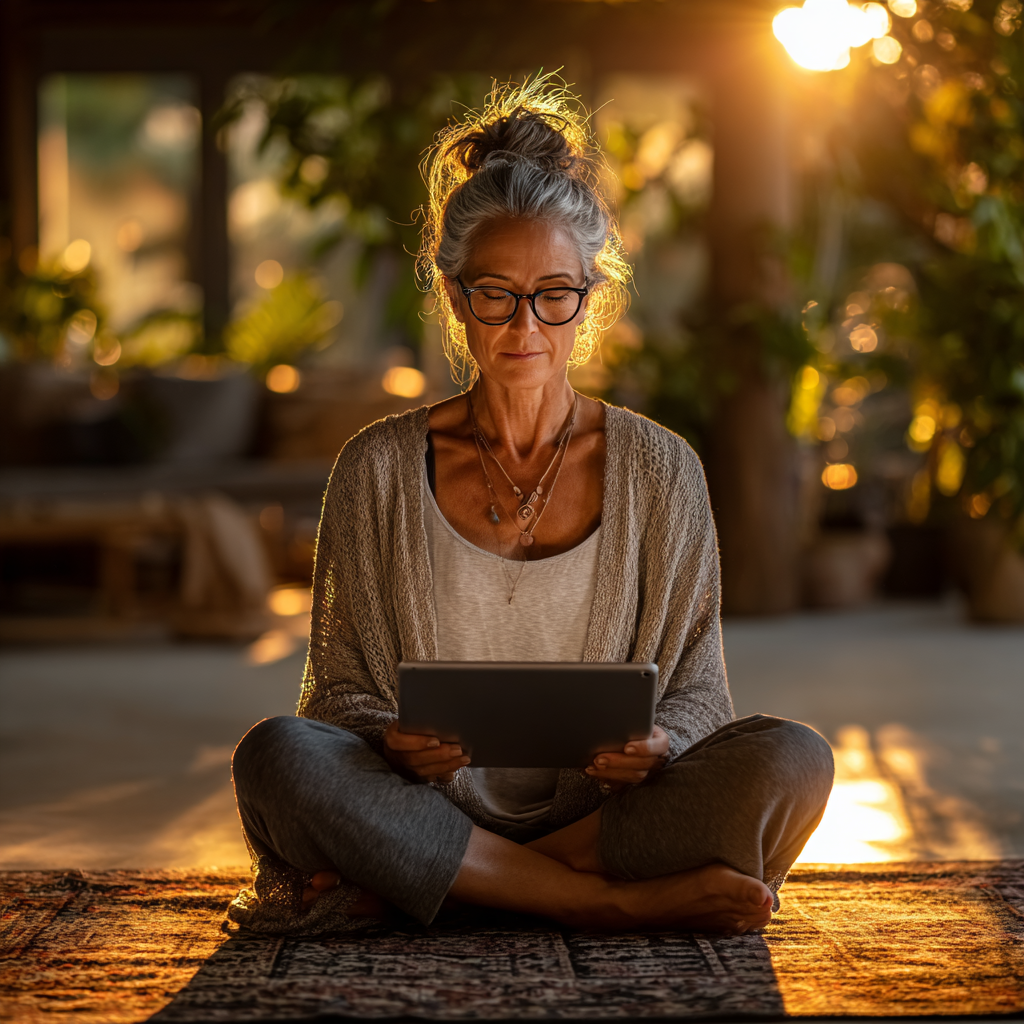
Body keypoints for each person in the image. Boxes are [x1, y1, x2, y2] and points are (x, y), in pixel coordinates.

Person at [229, 78, 834, 937]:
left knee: (795, 759)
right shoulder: (376, 470)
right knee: (277, 756)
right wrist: (395, 739)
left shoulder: (663, 471)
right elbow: (338, 697)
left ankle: (452, 881)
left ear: (591, 298)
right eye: (496, 295)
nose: (526, 327)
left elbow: (700, 692)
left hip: (601, 821)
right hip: (422, 803)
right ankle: (603, 902)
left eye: (555, 294)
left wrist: (659, 745)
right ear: (453, 296)